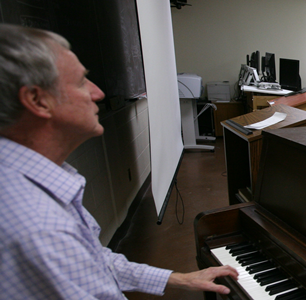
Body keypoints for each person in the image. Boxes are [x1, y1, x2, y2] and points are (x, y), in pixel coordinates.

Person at [0, 24, 237, 299]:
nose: (98, 93)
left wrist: (179, 279)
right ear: (37, 101)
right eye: (80, 82)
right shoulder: (37, 225)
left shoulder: (32, 179)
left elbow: (94, 262)